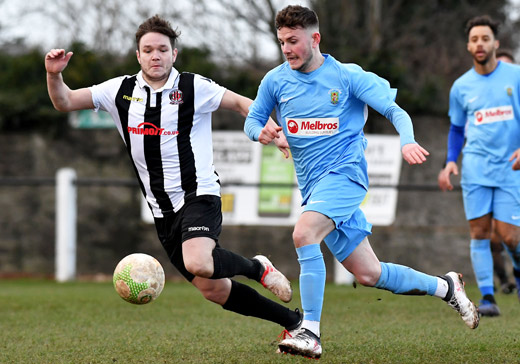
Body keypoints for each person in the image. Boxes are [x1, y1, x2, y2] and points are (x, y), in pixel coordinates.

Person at [45, 15, 303, 344]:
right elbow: (64, 101)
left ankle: (257, 269)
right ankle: (294, 323)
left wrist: (270, 127)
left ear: (174, 54)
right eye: (148, 49)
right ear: (138, 55)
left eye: (162, 49)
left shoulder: (194, 87)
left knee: (199, 261)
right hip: (162, 211)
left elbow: (240, 103)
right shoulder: (118, 92)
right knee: (214, 289)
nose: (156, 55)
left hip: (199, 193)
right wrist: (54, 76)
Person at [244, 5, 479, 359]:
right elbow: (254, 119)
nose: (287, 49)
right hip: (314, 189)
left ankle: (309, 331)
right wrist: (263, 132)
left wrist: (407, 139)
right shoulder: (275, 81)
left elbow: (395, 110)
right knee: (369, 273)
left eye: (293, 41)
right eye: (282, 42)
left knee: (304, 234)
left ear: (315, 38)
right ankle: (446, 286)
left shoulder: (347, 77)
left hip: (345, 178)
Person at [438, 15, 520, 317]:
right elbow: (457, 129)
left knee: (510, 236)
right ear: (468, 46)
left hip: (512, 168)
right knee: (480, 233)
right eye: (474, 40)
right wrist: (449, 162)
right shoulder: (461, 87)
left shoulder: (515, 76)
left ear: (495, 43)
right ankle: (488, 297)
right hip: (475, 169)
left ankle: (518, 272)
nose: (479, 44)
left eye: (485, 38)